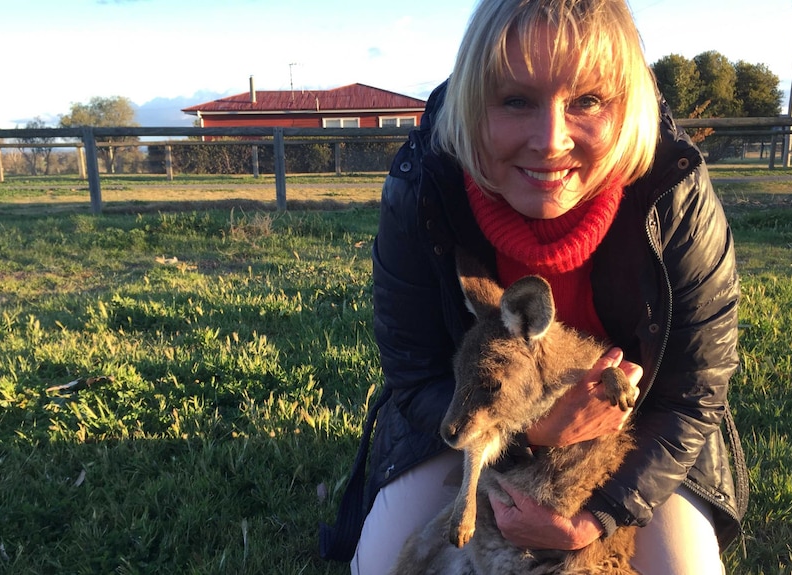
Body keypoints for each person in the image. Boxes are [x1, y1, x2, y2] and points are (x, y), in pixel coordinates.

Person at [319, 0, 748, 573]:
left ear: (624, 108)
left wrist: (599, 516)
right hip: (482, 424)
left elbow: (693, 393)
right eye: (515, 100)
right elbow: (413, 371)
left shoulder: (674, 193)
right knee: (380, 564)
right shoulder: (425, 185)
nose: (550, 140)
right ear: (476, 104)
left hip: (631, 440)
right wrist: (527, 436)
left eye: (587, 100)